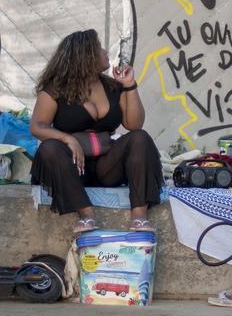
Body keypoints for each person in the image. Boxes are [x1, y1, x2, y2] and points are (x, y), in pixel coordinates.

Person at [29, 29, 163, 233]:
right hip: (72, 168)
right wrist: (67, 139)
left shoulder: (112, 86)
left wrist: (129, 86)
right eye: (100, 48)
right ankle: (86, 214)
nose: (105, 52)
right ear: (86, 56)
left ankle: (139, 216)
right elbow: (37, 126)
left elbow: (134, 125)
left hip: (106, 165)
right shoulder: (56, 89)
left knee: (140, 138)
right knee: (49, 149)